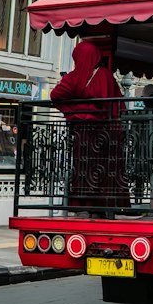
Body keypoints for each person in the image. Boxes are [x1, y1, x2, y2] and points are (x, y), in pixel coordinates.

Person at [51, 39, 123, 209]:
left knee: (83, 166)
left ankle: (83, 205)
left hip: (83, 132)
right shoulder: (105, 75)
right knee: (107, 167)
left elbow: (55, 95)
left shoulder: (73, 77)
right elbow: (118, 104)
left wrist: (76, 111)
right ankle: (106, 205)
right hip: (107, 132)